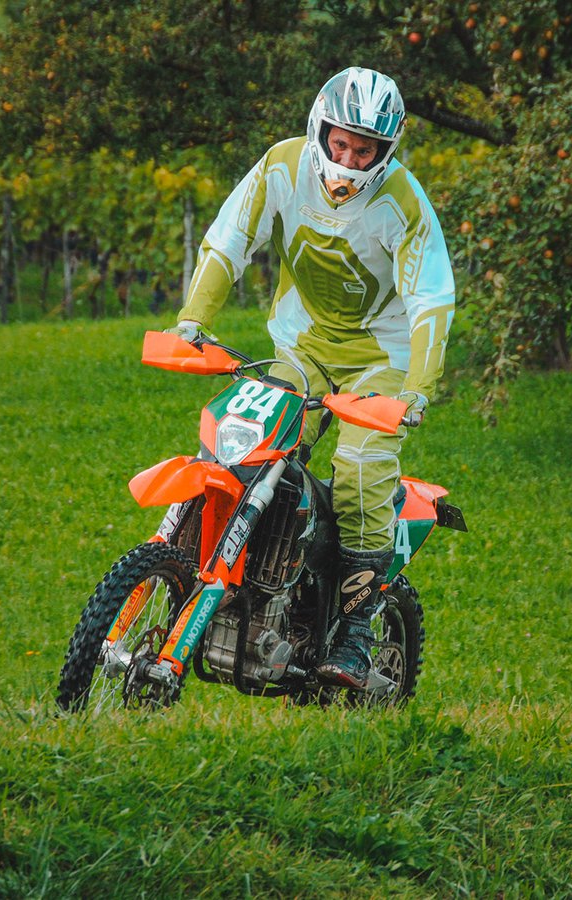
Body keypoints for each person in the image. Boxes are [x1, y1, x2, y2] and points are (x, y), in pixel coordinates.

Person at [168, 66, 456, 689]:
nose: (349, 159)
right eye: (341, 143)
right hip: (299, 347)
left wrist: (417, 389)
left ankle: (355, 630)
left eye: (366, 149)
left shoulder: (404, 203)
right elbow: (228, 240)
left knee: (357, 466)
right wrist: (193, 319)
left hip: (382, 360)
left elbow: (432, 298)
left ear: (387, 150)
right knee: (243, 437)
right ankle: (213, 577)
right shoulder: (282, 166)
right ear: (320, 128)